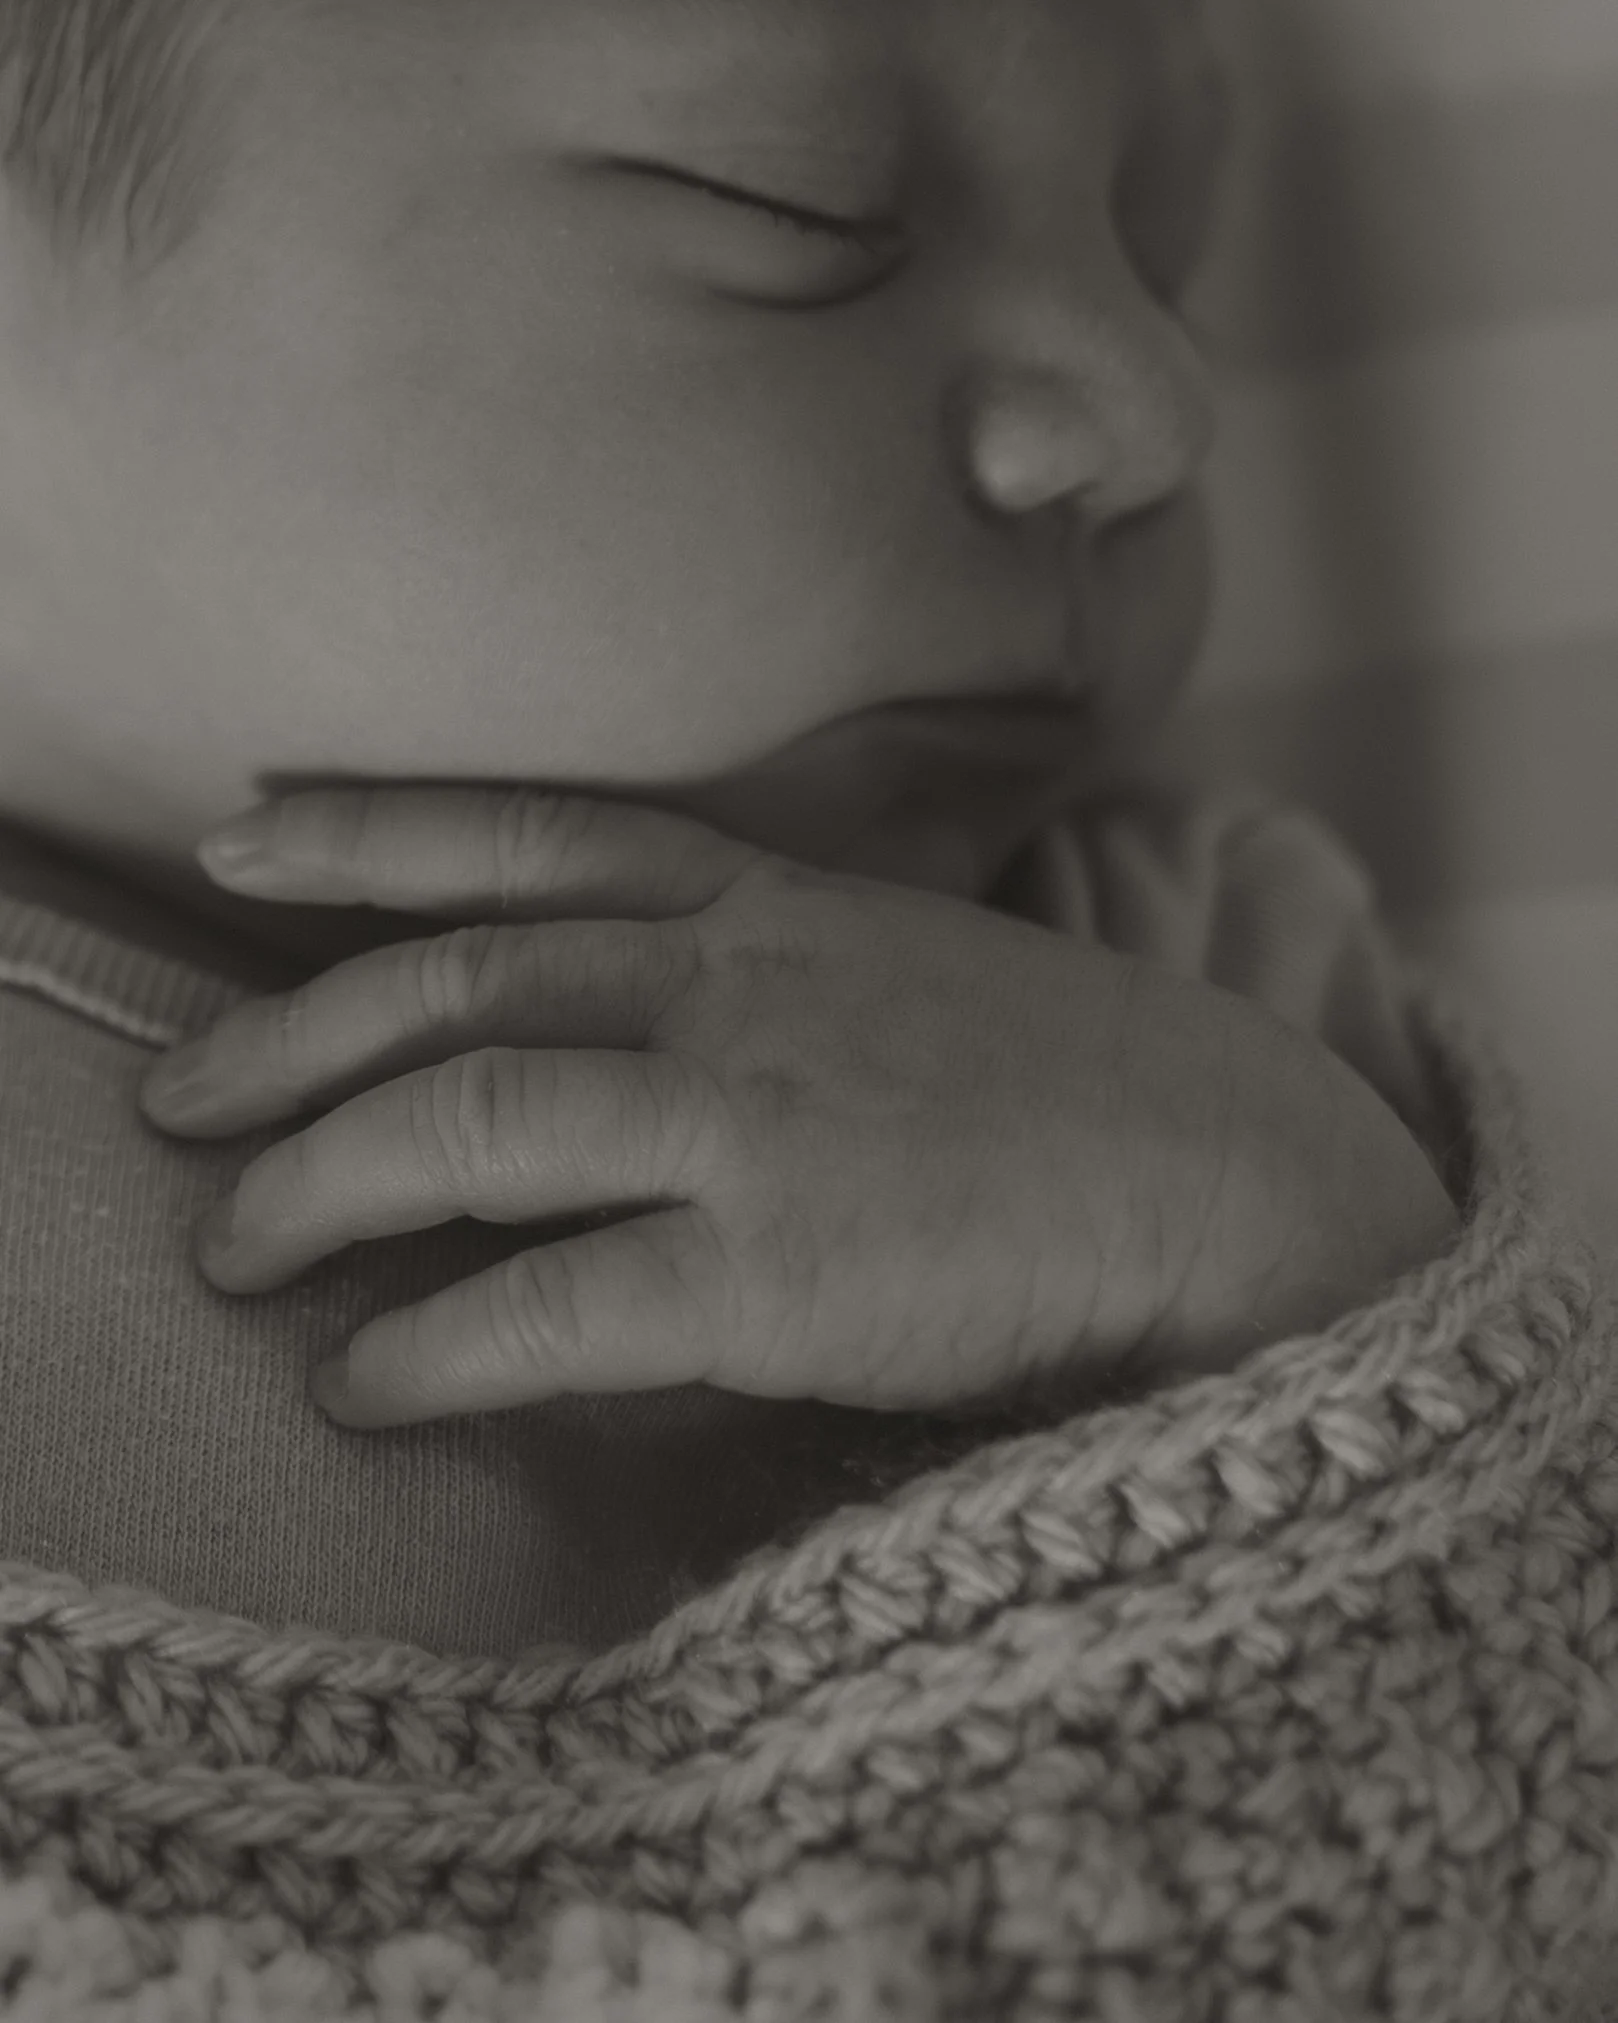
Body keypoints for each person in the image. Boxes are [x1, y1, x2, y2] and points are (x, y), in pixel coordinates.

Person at [0, 0, 1454, 1667]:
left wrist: (1285, 1266)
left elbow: (1530, 1730)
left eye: (1162, 253)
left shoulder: (1187, 1007)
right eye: (794, 199)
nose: (1152, 415)